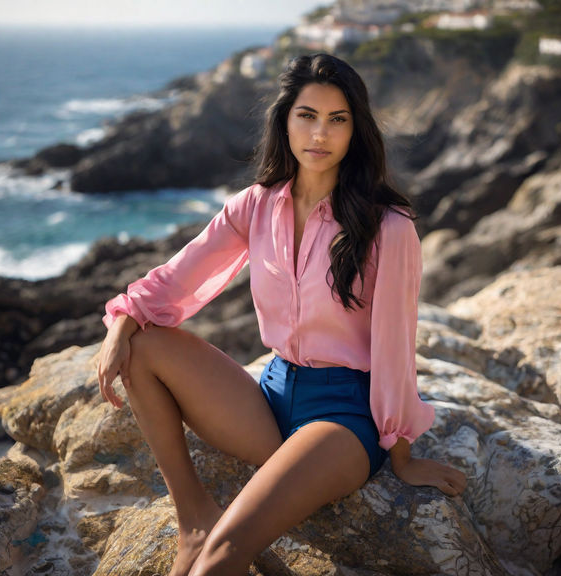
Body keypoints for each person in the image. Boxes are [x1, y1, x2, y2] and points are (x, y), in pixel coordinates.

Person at [97, 53, 467, 576]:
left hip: (342, 418)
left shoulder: (388, 227)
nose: (320, 133)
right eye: (307, 115)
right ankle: (193, 516)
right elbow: (176, 279)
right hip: (271, 397)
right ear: (285, 119)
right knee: (141, 344)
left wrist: (402, 454)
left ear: (355, 130)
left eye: (337, 119)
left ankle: (213, 538)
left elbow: (394, 347)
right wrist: (122, 324)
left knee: (223, 558)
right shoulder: (256, 205)